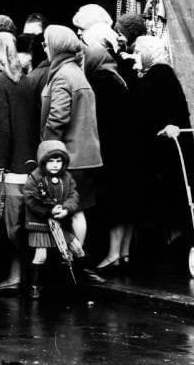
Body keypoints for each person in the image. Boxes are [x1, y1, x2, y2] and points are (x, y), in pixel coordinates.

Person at [40, 25, 104, 283]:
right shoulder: (77, 72)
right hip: (85, 156)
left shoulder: (62, 76)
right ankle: (76, 261)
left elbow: (58, 116)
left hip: (69, 156)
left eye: (46, 43)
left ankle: (73, 263)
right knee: (77, 210)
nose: (44, 48)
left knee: (70, 211)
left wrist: (46, 147)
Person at [0, 31, 38, 293]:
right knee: (23, 224)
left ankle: (14, 276)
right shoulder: (27, 81)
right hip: (28, 163)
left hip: (9, 166)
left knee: (9, 226)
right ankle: (23, 275)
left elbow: (0, 127)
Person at [81, 23, 137, 272]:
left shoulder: (101, 81)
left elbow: (100, 121)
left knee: (115, 203)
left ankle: (113, 254)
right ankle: (123, 253)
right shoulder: (118, 75)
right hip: (126, 149)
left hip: (112, 151)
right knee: (125, 204)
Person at [133, 36, 194, 249]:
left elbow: (171, 109)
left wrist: (168, 126)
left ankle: (176, 238)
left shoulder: (161, 73)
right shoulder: (155, 73)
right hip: (163, 145)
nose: (136, 55)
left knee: (172, 191)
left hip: (166, 147)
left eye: (139, 51)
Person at [23, 140, 89, 299]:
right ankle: (34, 286)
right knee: (41, 255)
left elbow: (74, 196)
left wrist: (66, 209)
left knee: (77, 249)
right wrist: (48, 210)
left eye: (58, 161)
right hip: (40, 223)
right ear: (44, 161)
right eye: (51, 161)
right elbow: (30, 198)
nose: (54, 165)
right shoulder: (36, 177)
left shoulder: (67, 177)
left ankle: (77, 283)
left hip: (61, 223)